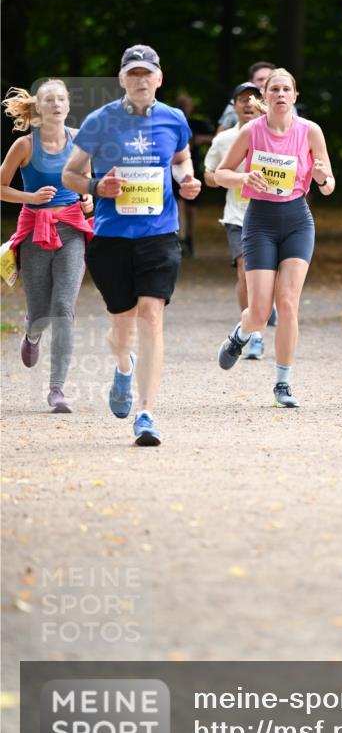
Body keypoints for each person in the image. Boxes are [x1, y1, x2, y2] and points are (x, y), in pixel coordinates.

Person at [61, 44, 201, 446]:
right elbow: (71, 173)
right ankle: (124, 366)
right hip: (112, 237)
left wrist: (187, 180)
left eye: (148, 73)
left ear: (160, 78)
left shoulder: (174, 119)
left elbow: (181, 160)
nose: (141, 80)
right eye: (133, 74)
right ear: (122, 79)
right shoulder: (98, 121)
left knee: (152, 317)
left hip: (159, 234)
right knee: (121, 331)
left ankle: (146, 412)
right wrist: (94, 186)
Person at [214, 67, 335, 407]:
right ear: (264, 98)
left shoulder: (310, 132)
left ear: (294, 96)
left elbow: (328, 186)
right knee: (259, 313)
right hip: (261, 221)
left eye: (286, 89)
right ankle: (240, 335)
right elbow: (221, 173)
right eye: (274, 89)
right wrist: (244, 179)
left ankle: (283, 383)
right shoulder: (252, 132)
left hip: (298, 219)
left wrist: (324, 178)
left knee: (288, 302)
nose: (280, 94)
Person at [1, 79, 93, 413]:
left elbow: (88, 183)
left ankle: (57, 390)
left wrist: (88, 200)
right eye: (49, 99)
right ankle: (32, 333)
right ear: (38, 108)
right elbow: (1, 186)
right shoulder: (25, 146)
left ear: (68, 106)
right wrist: (30, 197)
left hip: (71, 229)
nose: (55, 104)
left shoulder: (80, 139)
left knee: (64, 308)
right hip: (34, 233)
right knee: (41, 314)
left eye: (61, 99)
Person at [204, 81, 266, 359]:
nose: (248, 103)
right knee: (244, 269)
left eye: (254, 98)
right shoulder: (223, 140)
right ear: (234, 106)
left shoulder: (275, 135)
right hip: (238, 216)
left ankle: (259, 313)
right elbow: (210, 173)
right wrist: (227, 178)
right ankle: (253, 333)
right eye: (242, 99)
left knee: (266, 277)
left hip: (270, 214)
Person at [173, 93, 213, 257]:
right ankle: (181, 238)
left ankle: (189, 236)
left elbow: (216, 137)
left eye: (186, 104)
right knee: (179, 202)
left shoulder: (197, 124)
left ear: (191, 107)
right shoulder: (172, 122)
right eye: (181, 104)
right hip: (174, 168)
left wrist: (200, 139)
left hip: (195, 167)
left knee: (191, 208)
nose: (184, 107)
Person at [217, 61, 276, 131]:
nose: (265, 83)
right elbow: (221, 134)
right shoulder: (237, 103)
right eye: (260, 79)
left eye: (269, 79)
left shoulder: (284, 102)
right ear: (251, 81)